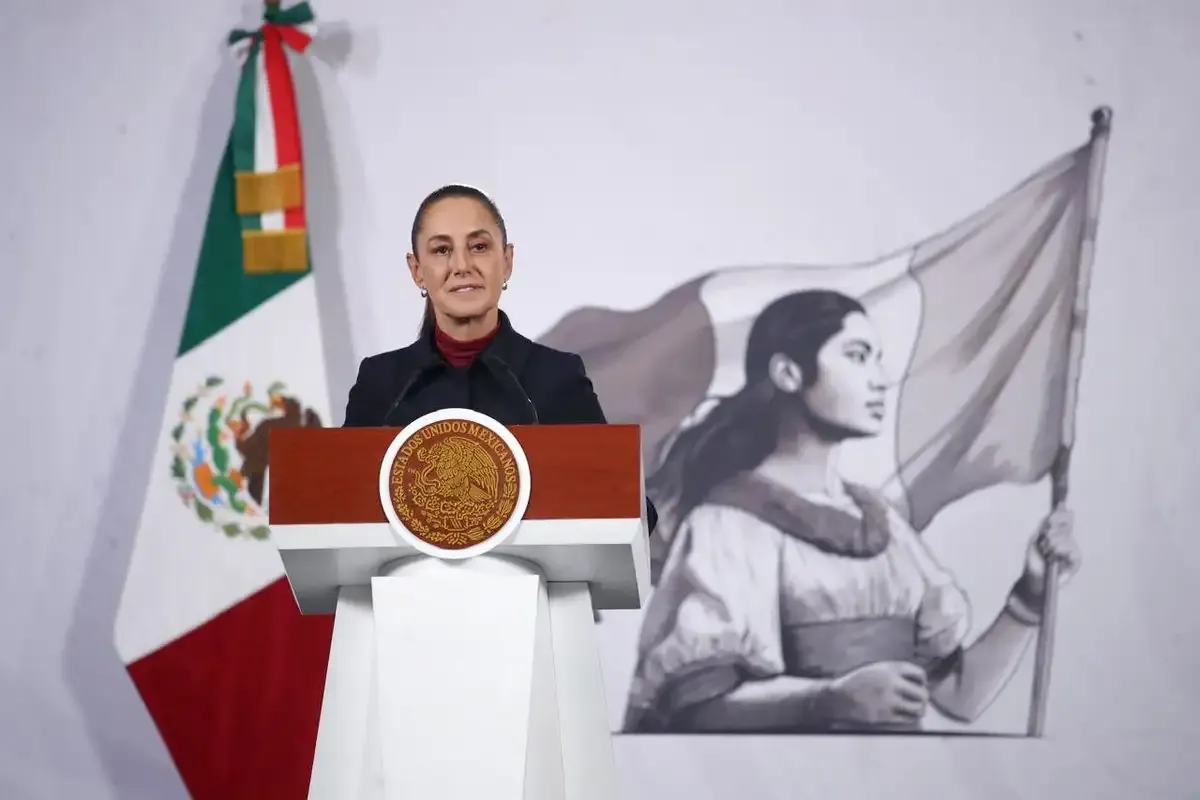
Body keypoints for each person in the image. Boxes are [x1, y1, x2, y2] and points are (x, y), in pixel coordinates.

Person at [622, 289, 1081, 733]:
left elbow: (959, 697)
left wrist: (1030, 596)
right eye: (858, 356)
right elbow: (695, 709)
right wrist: (830, 699)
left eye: (877, 358)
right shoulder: (728, 524)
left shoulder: (882, 524)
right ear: (788, 373)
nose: (880, 378)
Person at [342, 184, 657, 532]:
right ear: (416, 270)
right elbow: (335, 506)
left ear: (506, 262)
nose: (462, 265)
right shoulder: (383, 383)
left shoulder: (555, 377)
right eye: (441, 250)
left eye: (479, 247)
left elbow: (632, 512)